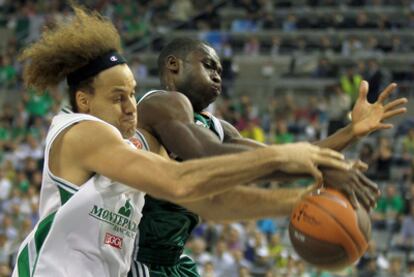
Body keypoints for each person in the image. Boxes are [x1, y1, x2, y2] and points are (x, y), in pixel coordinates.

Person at [11, 6, 352, 277]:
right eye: (118, 97)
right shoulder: (80, 130)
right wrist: (283, 153)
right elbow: (179, 182)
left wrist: (296, 203)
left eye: (132, 94)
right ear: (85, 100)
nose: (131, 107)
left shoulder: (130, 148)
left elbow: (208, 203)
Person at [131, 37, 407, 277]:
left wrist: (351, 133)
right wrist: (321, 166)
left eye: (220, 70)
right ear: (173, 65)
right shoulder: (161, 103)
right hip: (135, 256)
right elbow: (209, 155)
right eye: (208, 65)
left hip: (172, 260)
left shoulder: (217, 127)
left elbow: (277, 160)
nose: (217, 75)